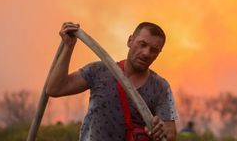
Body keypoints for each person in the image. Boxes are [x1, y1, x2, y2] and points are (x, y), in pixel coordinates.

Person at [46, 21, 177, 141]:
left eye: (154, 50)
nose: (146, 53)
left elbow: (170, 133)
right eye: (142, 44)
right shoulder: (99, 71)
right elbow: (55, 88)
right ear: (130, 41)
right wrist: (68, 47)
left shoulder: (160, 87)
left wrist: (161, 131)